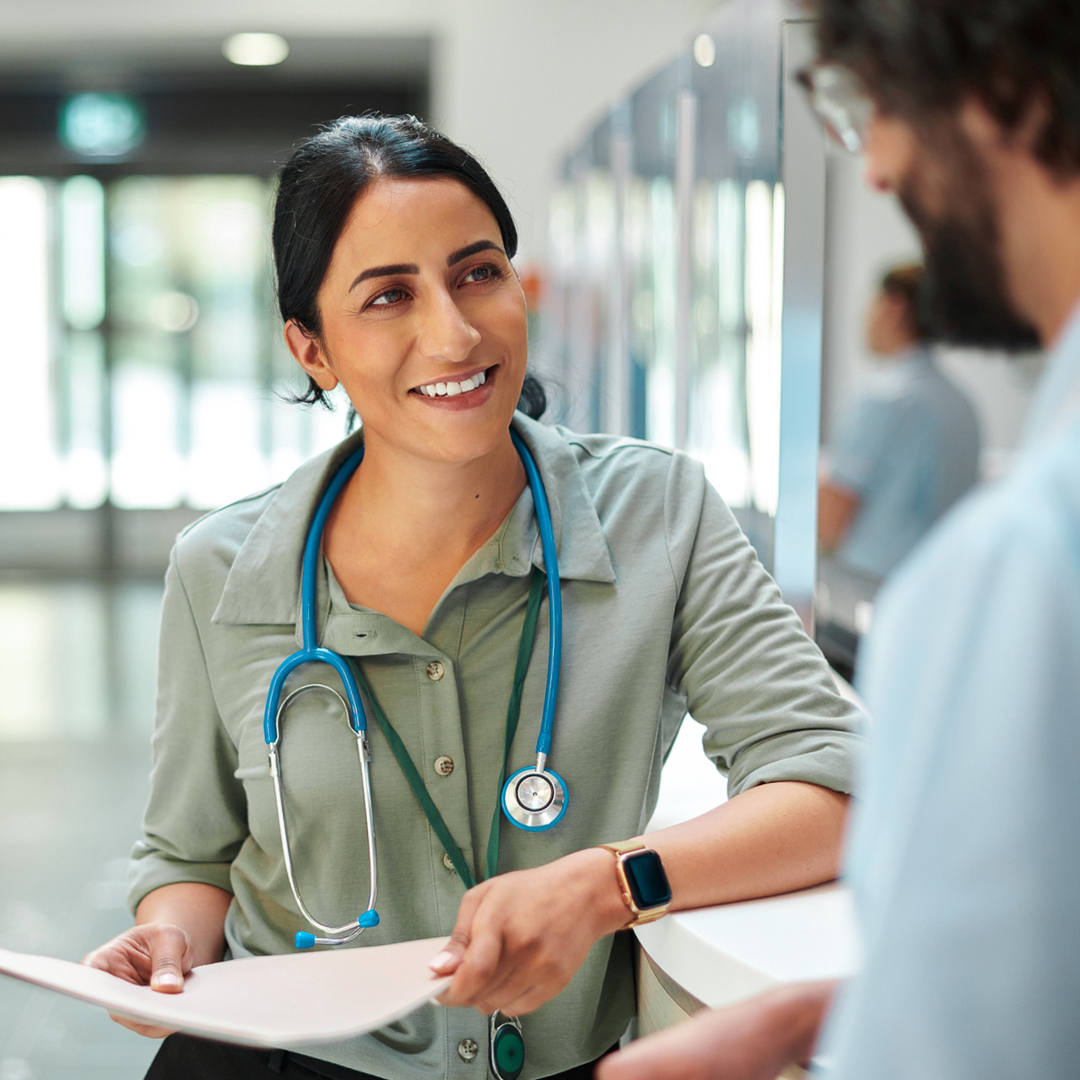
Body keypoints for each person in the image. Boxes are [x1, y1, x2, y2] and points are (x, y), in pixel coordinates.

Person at [82, 115, 861, 1080]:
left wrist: (610, 883)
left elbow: (832, 783)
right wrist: (166, 943)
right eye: (388, 297)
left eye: (477, 273)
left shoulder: (657, 512)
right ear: (312, 349)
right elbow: (190, 858)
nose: (452, 333)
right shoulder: (224, 568)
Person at [597, 0, 1080, 1077]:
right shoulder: (977, 426)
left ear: (1004, 83)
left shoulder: (1015, 570)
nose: (874, 172)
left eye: (876, 109)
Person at [818, 263, 980, 580]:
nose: (864, 319)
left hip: (874, 595)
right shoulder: (963, 405)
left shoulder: (882, 400)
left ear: (893, 307)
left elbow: (827, 524)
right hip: (944, 587)